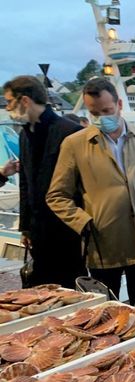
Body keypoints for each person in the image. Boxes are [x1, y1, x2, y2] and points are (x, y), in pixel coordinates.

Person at [47, 78, 135, 311]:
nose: (102, 118)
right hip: (103, 242)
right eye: (94, 113)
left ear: (119, 104)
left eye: (107, 110)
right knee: (106, 310)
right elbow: (56, 195)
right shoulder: (75, 144)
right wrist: (84, 222)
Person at [3, 75, 86, 288]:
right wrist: (26, 228)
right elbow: (26, 184)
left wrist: (83, 229)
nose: (8, 107)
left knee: (70, 290)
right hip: (39, 233)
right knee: (38, 291)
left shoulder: (71, 132)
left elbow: (83, 186)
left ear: (25, 101)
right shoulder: (25, 135)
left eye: (10, 102)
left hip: (67, 232)